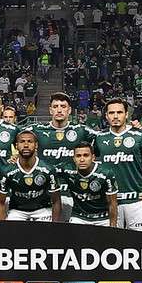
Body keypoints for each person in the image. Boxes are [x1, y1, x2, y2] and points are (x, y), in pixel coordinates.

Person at [95, 98, 142, 232]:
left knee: (141, 246)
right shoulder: (99, 138)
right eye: (111, 113)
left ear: (126, 114)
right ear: (106, 116)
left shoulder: (139, 135)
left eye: (120, 112)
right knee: (111, 246)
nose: (116, 116)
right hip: (109, 202)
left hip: (136, 201)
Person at [30, 92, 97, 220]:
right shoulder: (37, 130)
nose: (59, 110)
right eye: (55, 106)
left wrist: (132, 128)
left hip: (72, 192)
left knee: (69, 235)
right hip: (44, 192)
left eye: (63, 106)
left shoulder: (81, 130)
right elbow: (12, 134)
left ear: (69, 110)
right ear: (50, 110)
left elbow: (107, 138)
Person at [0, 129, 61, 222]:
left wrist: (55, 226)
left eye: (30, 142)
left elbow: (56, 201)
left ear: (36, 145)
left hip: (43, 210)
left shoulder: (48, 170)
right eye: (22, 142)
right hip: (17, 211)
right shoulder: (6, 171)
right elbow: (0, 203)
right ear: (16, 146)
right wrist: (1, 228)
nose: (26, 145)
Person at [57, 142, 118, 226]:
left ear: (93, 157)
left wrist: (113, 226)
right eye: (78, 156)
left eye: (86, 155)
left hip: (102, 218)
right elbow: (48, 172)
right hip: (79, 217)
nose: (82, 160)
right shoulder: (67, 170)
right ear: (74, 158)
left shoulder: (106, 173)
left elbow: (112, 203)